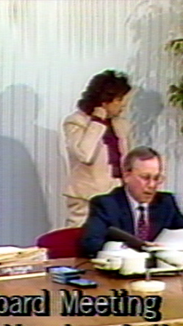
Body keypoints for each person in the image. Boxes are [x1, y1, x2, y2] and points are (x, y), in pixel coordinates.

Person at [81, 146, 183, 257]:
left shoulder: (165, 202)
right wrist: (134, 248)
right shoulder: (106, 204)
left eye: (157, 178)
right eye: (145, 178)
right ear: (126, 176)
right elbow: (91, 244)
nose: (152, 185)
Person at [63, 70, 133, 227]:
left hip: (117, 195)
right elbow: (84, 154)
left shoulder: (121, 124)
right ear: (105, 100)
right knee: (82, 240)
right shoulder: (76, 122)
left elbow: (128, 160)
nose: (123, 105)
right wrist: (97, 121)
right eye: (119, 99)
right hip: (87, 197)